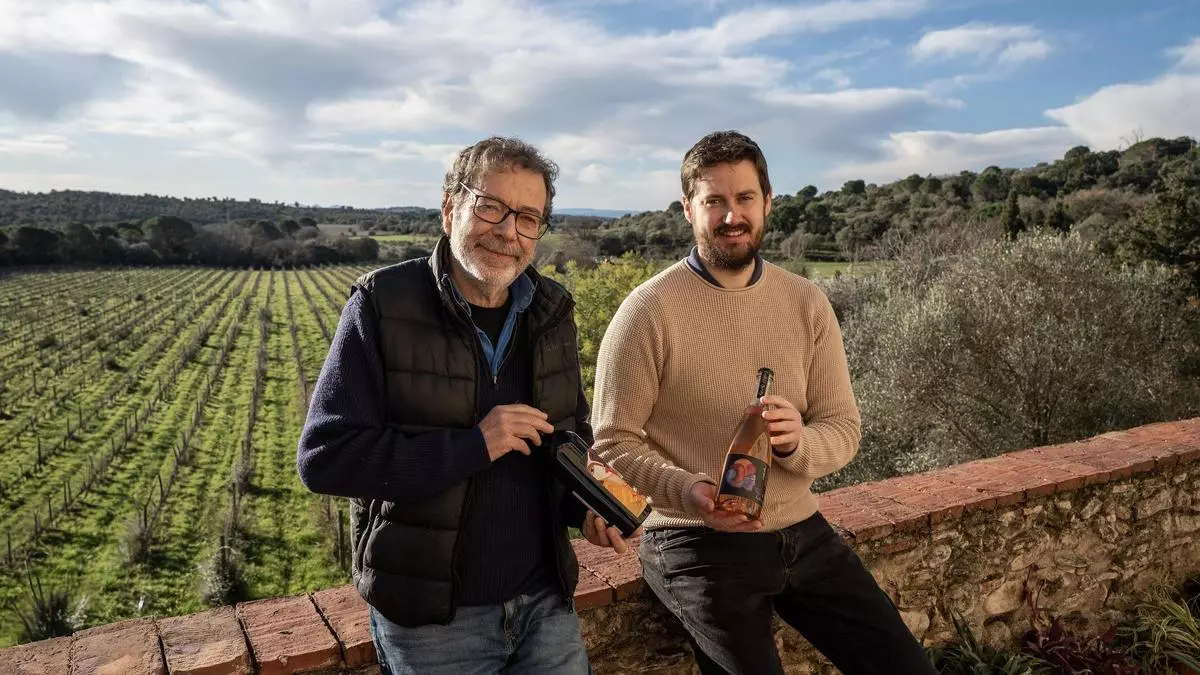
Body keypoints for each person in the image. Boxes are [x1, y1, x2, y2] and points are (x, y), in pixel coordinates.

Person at [591, 130, 938, 675]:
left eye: (745, 198)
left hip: (804, 532)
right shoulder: (647, 311)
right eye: (714, 201)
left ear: (768, 202)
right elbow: (613, 443)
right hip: (694, 540)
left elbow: (843, 426)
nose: (732, 216)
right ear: (688, 209)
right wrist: (691, 491)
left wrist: (800, 442)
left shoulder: (806, 302)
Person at [296, 136, 633, 675]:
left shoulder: (552, 311)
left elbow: (566, 439)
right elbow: (325, 458)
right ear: (450, 207)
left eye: (528, 218)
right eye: (492, 207)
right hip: (434, 623)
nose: (508, 231)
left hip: (545, 603)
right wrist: (474, 445)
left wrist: (587, 508)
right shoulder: (383, 304)